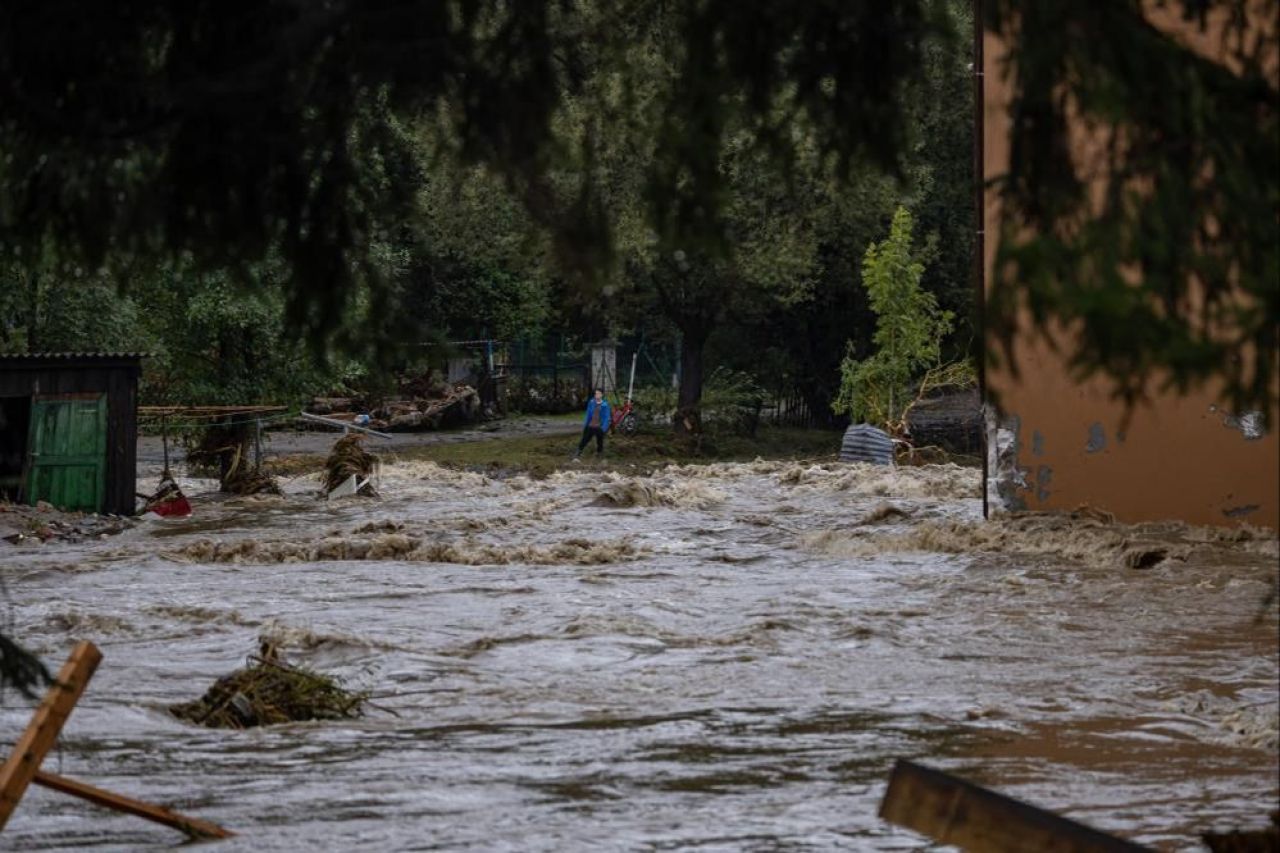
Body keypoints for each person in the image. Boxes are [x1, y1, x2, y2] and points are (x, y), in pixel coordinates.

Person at [573, 389, 611, 459]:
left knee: (600, 440)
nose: (597, 395)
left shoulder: (605, 405)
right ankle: (578, 451)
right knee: (585, 439)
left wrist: (603, 428)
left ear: (602, 395)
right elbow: (588, 413)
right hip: (590, 425)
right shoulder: (591, 402)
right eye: (596, 394)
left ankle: (599, 453)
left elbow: (607, 417)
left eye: (599, 394)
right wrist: (586, 424)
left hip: (599, 426)